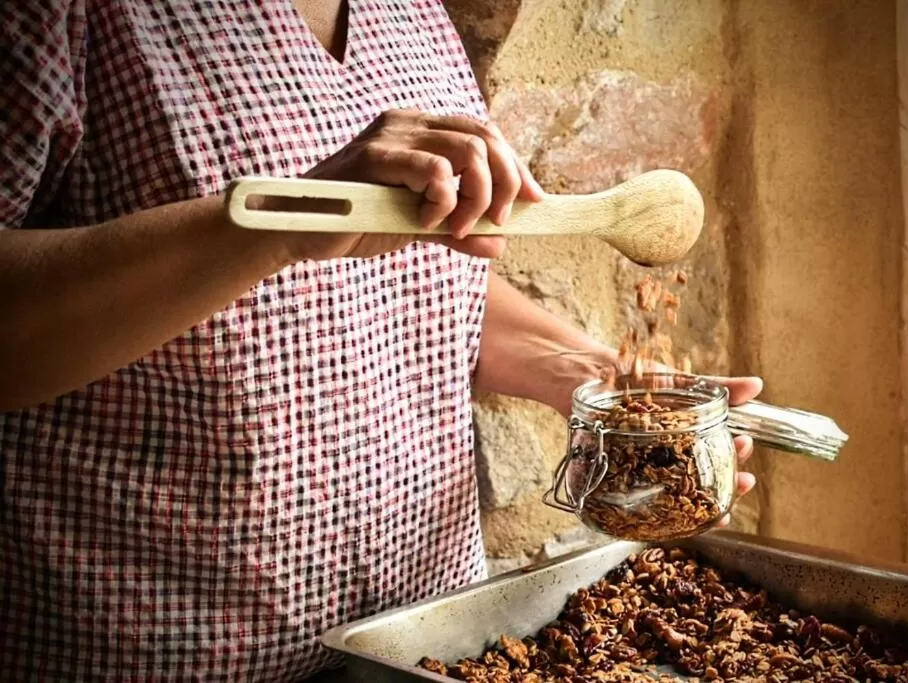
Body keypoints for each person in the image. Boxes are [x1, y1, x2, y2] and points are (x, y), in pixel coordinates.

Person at [0, 1, 763, 680]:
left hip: (430, 645)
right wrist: (290, 223)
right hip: (159, 651)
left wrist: (593, 377)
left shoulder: (414, 14)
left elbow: (413, 283)